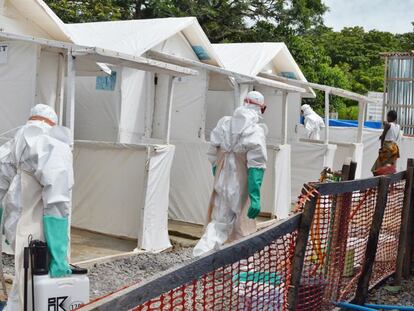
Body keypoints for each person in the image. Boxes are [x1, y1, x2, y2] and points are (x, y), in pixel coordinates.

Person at [0, 104, 73, 310]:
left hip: (17, 225)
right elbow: (57, 200)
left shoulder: (14, 141)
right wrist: (59, 255)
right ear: (53, 123)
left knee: (23, 280)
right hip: (41, 229)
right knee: (38, 285)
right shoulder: (53, 144)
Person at [193, 91, 268, 257]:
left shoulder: (224, 123)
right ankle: (239, 266)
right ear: (260, 108)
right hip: (240, 184)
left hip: (222, 179)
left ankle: (200, 257)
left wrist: (217, 174)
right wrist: (255, 196)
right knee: (241, 224)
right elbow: (257, 165)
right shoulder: (255, 130)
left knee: (219, 222)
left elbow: (212, 153)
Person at [371, 110, 401, 176]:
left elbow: (383, 137)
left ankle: (377, 182)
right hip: (394, 148)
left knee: (376, 169)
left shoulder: (388, 125)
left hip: (387, 147)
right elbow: (394, 137)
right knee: (389, 167)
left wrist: (381, 147)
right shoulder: (398, 127)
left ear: (389, 117)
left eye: (387, 116)